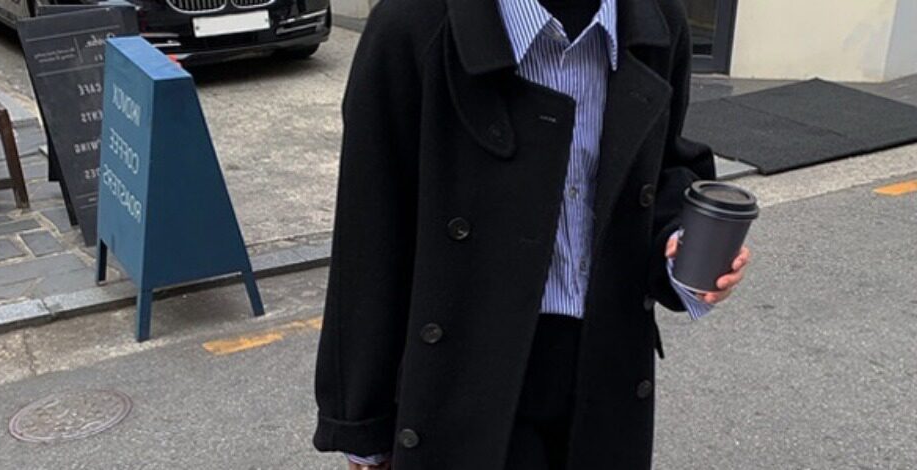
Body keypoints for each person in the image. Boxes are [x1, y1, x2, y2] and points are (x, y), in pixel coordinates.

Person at [312, 0, 750, 467]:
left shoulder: (655, 20)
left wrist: (679, 245)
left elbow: (660, 166)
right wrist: (361, 422)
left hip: (605, 369)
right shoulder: (412, 24)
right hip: (461, 375)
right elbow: (370, 230)